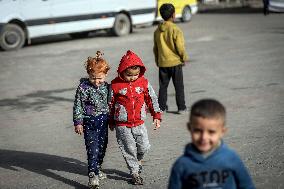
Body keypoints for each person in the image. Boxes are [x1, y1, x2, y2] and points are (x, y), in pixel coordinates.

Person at [168, 99, 255, 189]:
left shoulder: (232, 158)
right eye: (198, 131)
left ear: (222, 131)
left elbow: (247, 186)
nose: (204, 137)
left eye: (211, 132)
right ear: (190, 128)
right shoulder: (181, 165)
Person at [109, 50, 162, 185]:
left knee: (144, 147)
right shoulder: (115, 85)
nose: (133, 77)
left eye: (136, 75)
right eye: (129, 75)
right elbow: (109, 103)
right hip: (122, 125)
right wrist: (110, 120)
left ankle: (137, 161)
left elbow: (152, 99)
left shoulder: (143, 83)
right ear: (122, 71)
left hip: (139, 123)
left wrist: (156, 115)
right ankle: (134, 172)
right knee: (129, 149)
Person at [73, 51, 110, 189]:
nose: (96, 81)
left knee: (102, 148)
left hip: (104, 121)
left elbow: (111, 103)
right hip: (89, 123)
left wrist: (112, 119)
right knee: (92, 149)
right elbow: (78, 105)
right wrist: (78, 122)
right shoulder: (83, 88)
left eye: (99, 78)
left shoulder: (107, 87)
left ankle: (98, 168)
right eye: (93, 78)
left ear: (105, 74)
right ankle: (92, 175)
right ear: (88, 75)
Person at [153, 3, 189, 114]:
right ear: (173, 15)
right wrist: (184, 57)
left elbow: (156, 48)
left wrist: (158, 61)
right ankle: (181, 108)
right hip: (175, 63)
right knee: (178, 86)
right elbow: (180, 46)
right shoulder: (175, 29)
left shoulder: (157, 31)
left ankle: (161, 107)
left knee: (163, 86)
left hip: (163, 63)